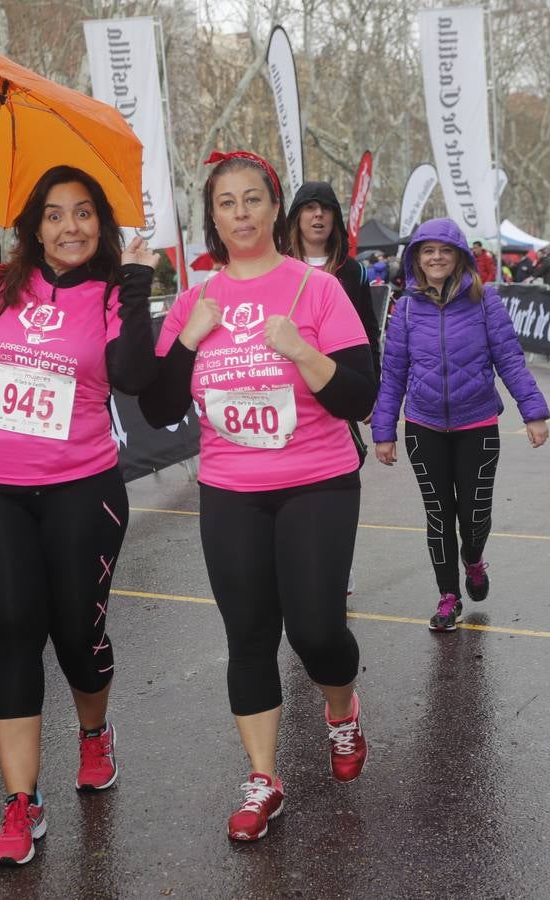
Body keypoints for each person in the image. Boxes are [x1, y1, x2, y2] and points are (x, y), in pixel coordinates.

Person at [0, 166, 157, 865]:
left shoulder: (114, 291)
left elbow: (137, 377)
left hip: (84, 486)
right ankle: (21, 802)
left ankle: (94, 734)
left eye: (84, 214)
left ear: (102, 225)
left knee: (77, 635)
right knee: (11, 635)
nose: (70, 228)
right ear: (34, 225)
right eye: (55, 215)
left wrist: (138, 281)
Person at [139, 150, 376, 842]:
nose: (240, 214)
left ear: (277, 208)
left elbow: (359, 393)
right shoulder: (195, 298)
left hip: (317, 481)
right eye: (226, 203)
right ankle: (264, 778)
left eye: (252, 200)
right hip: (231, 489)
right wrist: (187, 338)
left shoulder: (316, 290)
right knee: (248, 635)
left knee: (315, 630)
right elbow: (156, 409)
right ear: (211, 217)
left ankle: (341, 708)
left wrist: (302, 352)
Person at [370, 217, 550, 632]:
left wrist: (533, 412)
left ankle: (473, 559)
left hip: (477, 425)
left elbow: (509, 359)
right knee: (438, 514)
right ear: (417, 258)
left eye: (444, 250)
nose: (436, 258)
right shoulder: (406, 309)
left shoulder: (486, 301)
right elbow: (393, 372)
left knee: (474, 515)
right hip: (423, 426)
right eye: (427, 251)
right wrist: (384, 432)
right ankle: (448, 597)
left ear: (459, 257)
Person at [287, 181, 382, 381]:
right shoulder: (278, 266)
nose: (319, 213)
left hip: (341, 380)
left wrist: (372, 391)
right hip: (290, 381)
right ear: (297, 216)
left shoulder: (355, 272)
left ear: (335, 217)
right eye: (310, 207)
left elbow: (369, 337)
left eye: (326, 208)